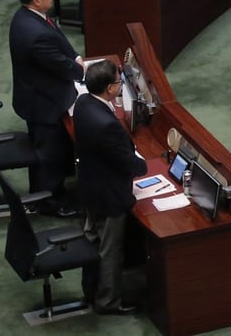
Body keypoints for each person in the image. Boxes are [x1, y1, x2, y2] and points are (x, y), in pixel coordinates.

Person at [75, 59, 146, 315]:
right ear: (109, 88)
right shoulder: (105, 125)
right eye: (118, 82)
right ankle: (108, 302)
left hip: (90, 187)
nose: (120, 85)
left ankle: (90, 290)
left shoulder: (83, 103)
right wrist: (142, 167)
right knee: (110, 250)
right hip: (109, 196)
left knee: (92, 240)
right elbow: (128, 161)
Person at [9, 0, 84, 218]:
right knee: (48, 155)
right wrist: (80, 69)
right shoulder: (34, 35)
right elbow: (57, 63)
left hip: (39, 94)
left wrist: (75, 57)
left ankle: (42, 193)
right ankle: (50, 204)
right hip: (43, 103)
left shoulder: (28, 16)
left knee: (48, 152)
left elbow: (58, 40)